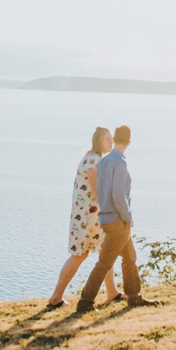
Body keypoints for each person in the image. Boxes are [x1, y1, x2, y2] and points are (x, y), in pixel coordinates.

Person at [76, 125, 159, 312]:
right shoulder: (120, 163)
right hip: (118, 221)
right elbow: (118, 195)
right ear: (129, 142)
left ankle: (134, 297)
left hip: (106, 219)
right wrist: (128, 218)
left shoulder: (104, 161)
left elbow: (101, 191)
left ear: (114, 139)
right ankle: (85, 302)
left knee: (130, 257)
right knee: (105, 263)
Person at [46, 127, 121, 308]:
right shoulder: (94, 160)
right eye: (107, 139)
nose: (111, 142)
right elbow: (96, 191)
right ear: (99, 141)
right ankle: (56, 298)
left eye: (111, 139)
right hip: (88, 218)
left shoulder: (93, 159)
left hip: (91, 216)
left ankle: (112, 292)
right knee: (80, 254)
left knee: (105, 252)